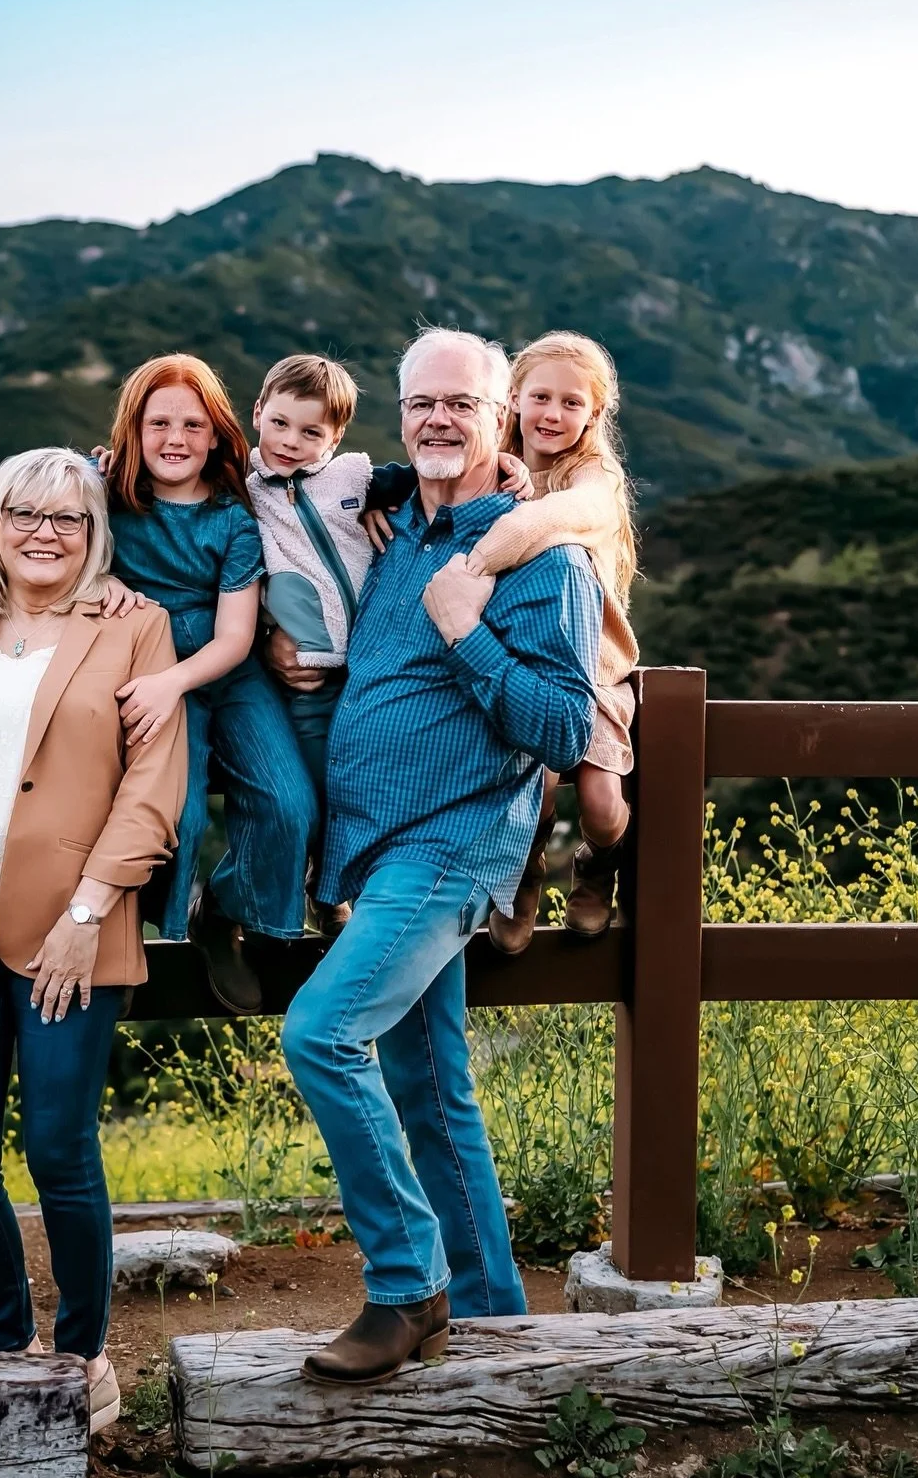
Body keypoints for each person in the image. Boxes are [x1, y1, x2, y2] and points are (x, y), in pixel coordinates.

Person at [274, 327, 602, 1386]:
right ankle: (502, 1331)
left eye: (460, 403)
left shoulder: (539, 551)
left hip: (453, 847)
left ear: (499, 415)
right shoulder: (394, 529)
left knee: (323, 1035)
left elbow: (560, 726)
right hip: (377, 854)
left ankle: (409, 1286)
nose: (437, 420)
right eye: (421, 403)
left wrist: (468, 631)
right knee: (429, 1089)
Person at [0, 447, 187, 1434]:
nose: (44, 533)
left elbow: (154, 786)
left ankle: (85, 1350)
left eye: (68, 517)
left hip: (76, 934)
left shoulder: (136, 626)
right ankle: (11, 1343)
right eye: (25, 514)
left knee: (60, 1147)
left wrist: (88, 913)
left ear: (95, 530)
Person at [250, 353, 534, 931]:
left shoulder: (356, 481)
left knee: (332, 796)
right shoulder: (245, 485)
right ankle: (268, 909)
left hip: (357, 691)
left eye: (312, 433)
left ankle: (329, 892)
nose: (291, 443)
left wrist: (508, 464)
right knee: (299, 804)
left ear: (336, 439)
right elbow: (173, 474)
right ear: (258, 414)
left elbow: (432, 469)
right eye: (279, 424)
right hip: (299, 676)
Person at [102, 354, 319, 1014]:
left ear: (219, 433)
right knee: (177, 813)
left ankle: (223, 910)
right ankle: (146, 922)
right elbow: (43, 523)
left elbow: (231, 639)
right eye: (159, 422)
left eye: (193, 425)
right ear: (133, 431)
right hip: (146, 668)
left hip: (225, 671)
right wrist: (101, 579)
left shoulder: (232, 519)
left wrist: (172, 684)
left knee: (290, 804)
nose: (175, 439)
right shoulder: (107, 502)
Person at [467, 331, 637, 946]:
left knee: (599, 799)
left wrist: (475, 567)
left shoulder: (594, 477)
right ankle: (525, 874)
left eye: (572, 403)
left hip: (591, 673)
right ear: (513, 398)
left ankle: (599, 865)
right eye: (541, 396)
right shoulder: (489, 468)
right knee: (531, 791)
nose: (553, 414)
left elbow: (555, 518)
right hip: (519, 665)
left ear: (594, 415)